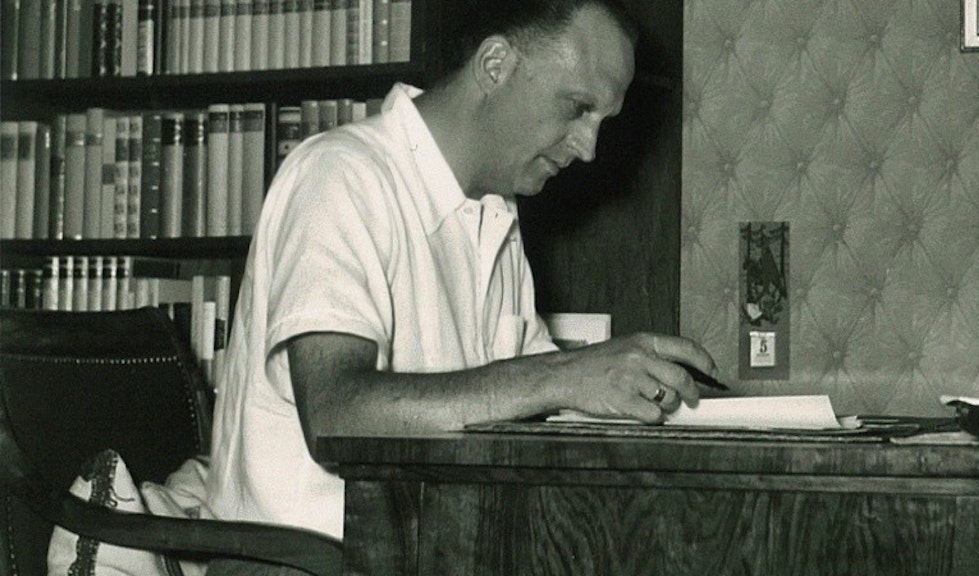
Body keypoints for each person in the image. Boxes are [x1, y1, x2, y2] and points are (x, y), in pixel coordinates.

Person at [205, 0, 717, 571]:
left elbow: (534, 397)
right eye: (577, 108)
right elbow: (335, 412)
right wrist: (563, 376)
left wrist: (651, 394)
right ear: (494, 64)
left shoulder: (493, 212)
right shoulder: (340, 175)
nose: (589, 147)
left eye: (602, 121)